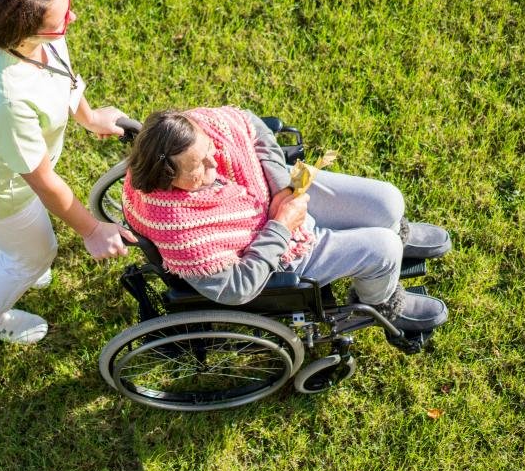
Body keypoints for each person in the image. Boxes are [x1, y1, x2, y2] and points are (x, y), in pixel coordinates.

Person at [0, 0, 136, 345]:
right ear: (23, 34)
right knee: (37, 254)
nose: (72, 20)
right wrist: (93, 229)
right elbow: (44, 182)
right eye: (61, 21)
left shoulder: (1, 27)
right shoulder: (5, 100)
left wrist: (90, 116)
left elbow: (58, 72)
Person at [121, 106, 451, 332]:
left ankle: (392, 238)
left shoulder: (191, 130)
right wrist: (280, 225)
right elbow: (237, 288)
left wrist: (280, 189)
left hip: (273, 193)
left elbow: (251, 124)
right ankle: (379, 302)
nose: (215, 164)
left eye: (209, 151)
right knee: (384, 248)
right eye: (199, 171)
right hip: (280, 255)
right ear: (168, 180)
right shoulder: (181, 230)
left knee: (389, 201)